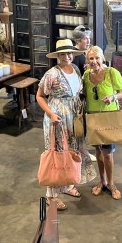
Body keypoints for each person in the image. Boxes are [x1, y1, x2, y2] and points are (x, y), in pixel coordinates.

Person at [36, 39, 95, 211]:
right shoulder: (52, 74)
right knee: (57, 155)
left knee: (72, 152)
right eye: (62, 54)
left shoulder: (75, 69)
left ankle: (67, 185)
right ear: (57, 56)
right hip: (58, 120)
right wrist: (51, 114)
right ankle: (51, 196)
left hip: (73, 119)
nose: (66, 57)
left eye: (69, 53)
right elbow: (40, 96)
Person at [83, 45, 122, 200]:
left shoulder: (111, 73)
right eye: (91, 58)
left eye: (97, 58)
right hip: (93, 118)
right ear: (87, 61)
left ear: (102, 58)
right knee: (98, 152)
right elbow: (84, 94)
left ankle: (111, 184)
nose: (94, 61)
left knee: (107, 154)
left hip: (108, 119)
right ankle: (102, 182)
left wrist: (113, 97)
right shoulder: (86, 75)